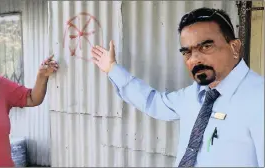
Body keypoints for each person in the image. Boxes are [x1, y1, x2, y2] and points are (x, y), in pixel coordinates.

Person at [91, 7, 264, 167]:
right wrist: (113, 69)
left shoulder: (259, 99)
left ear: (234, 47)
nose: (194, 59)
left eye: (206, 46)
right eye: (187, 52)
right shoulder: (194, 95)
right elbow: (154, 102)